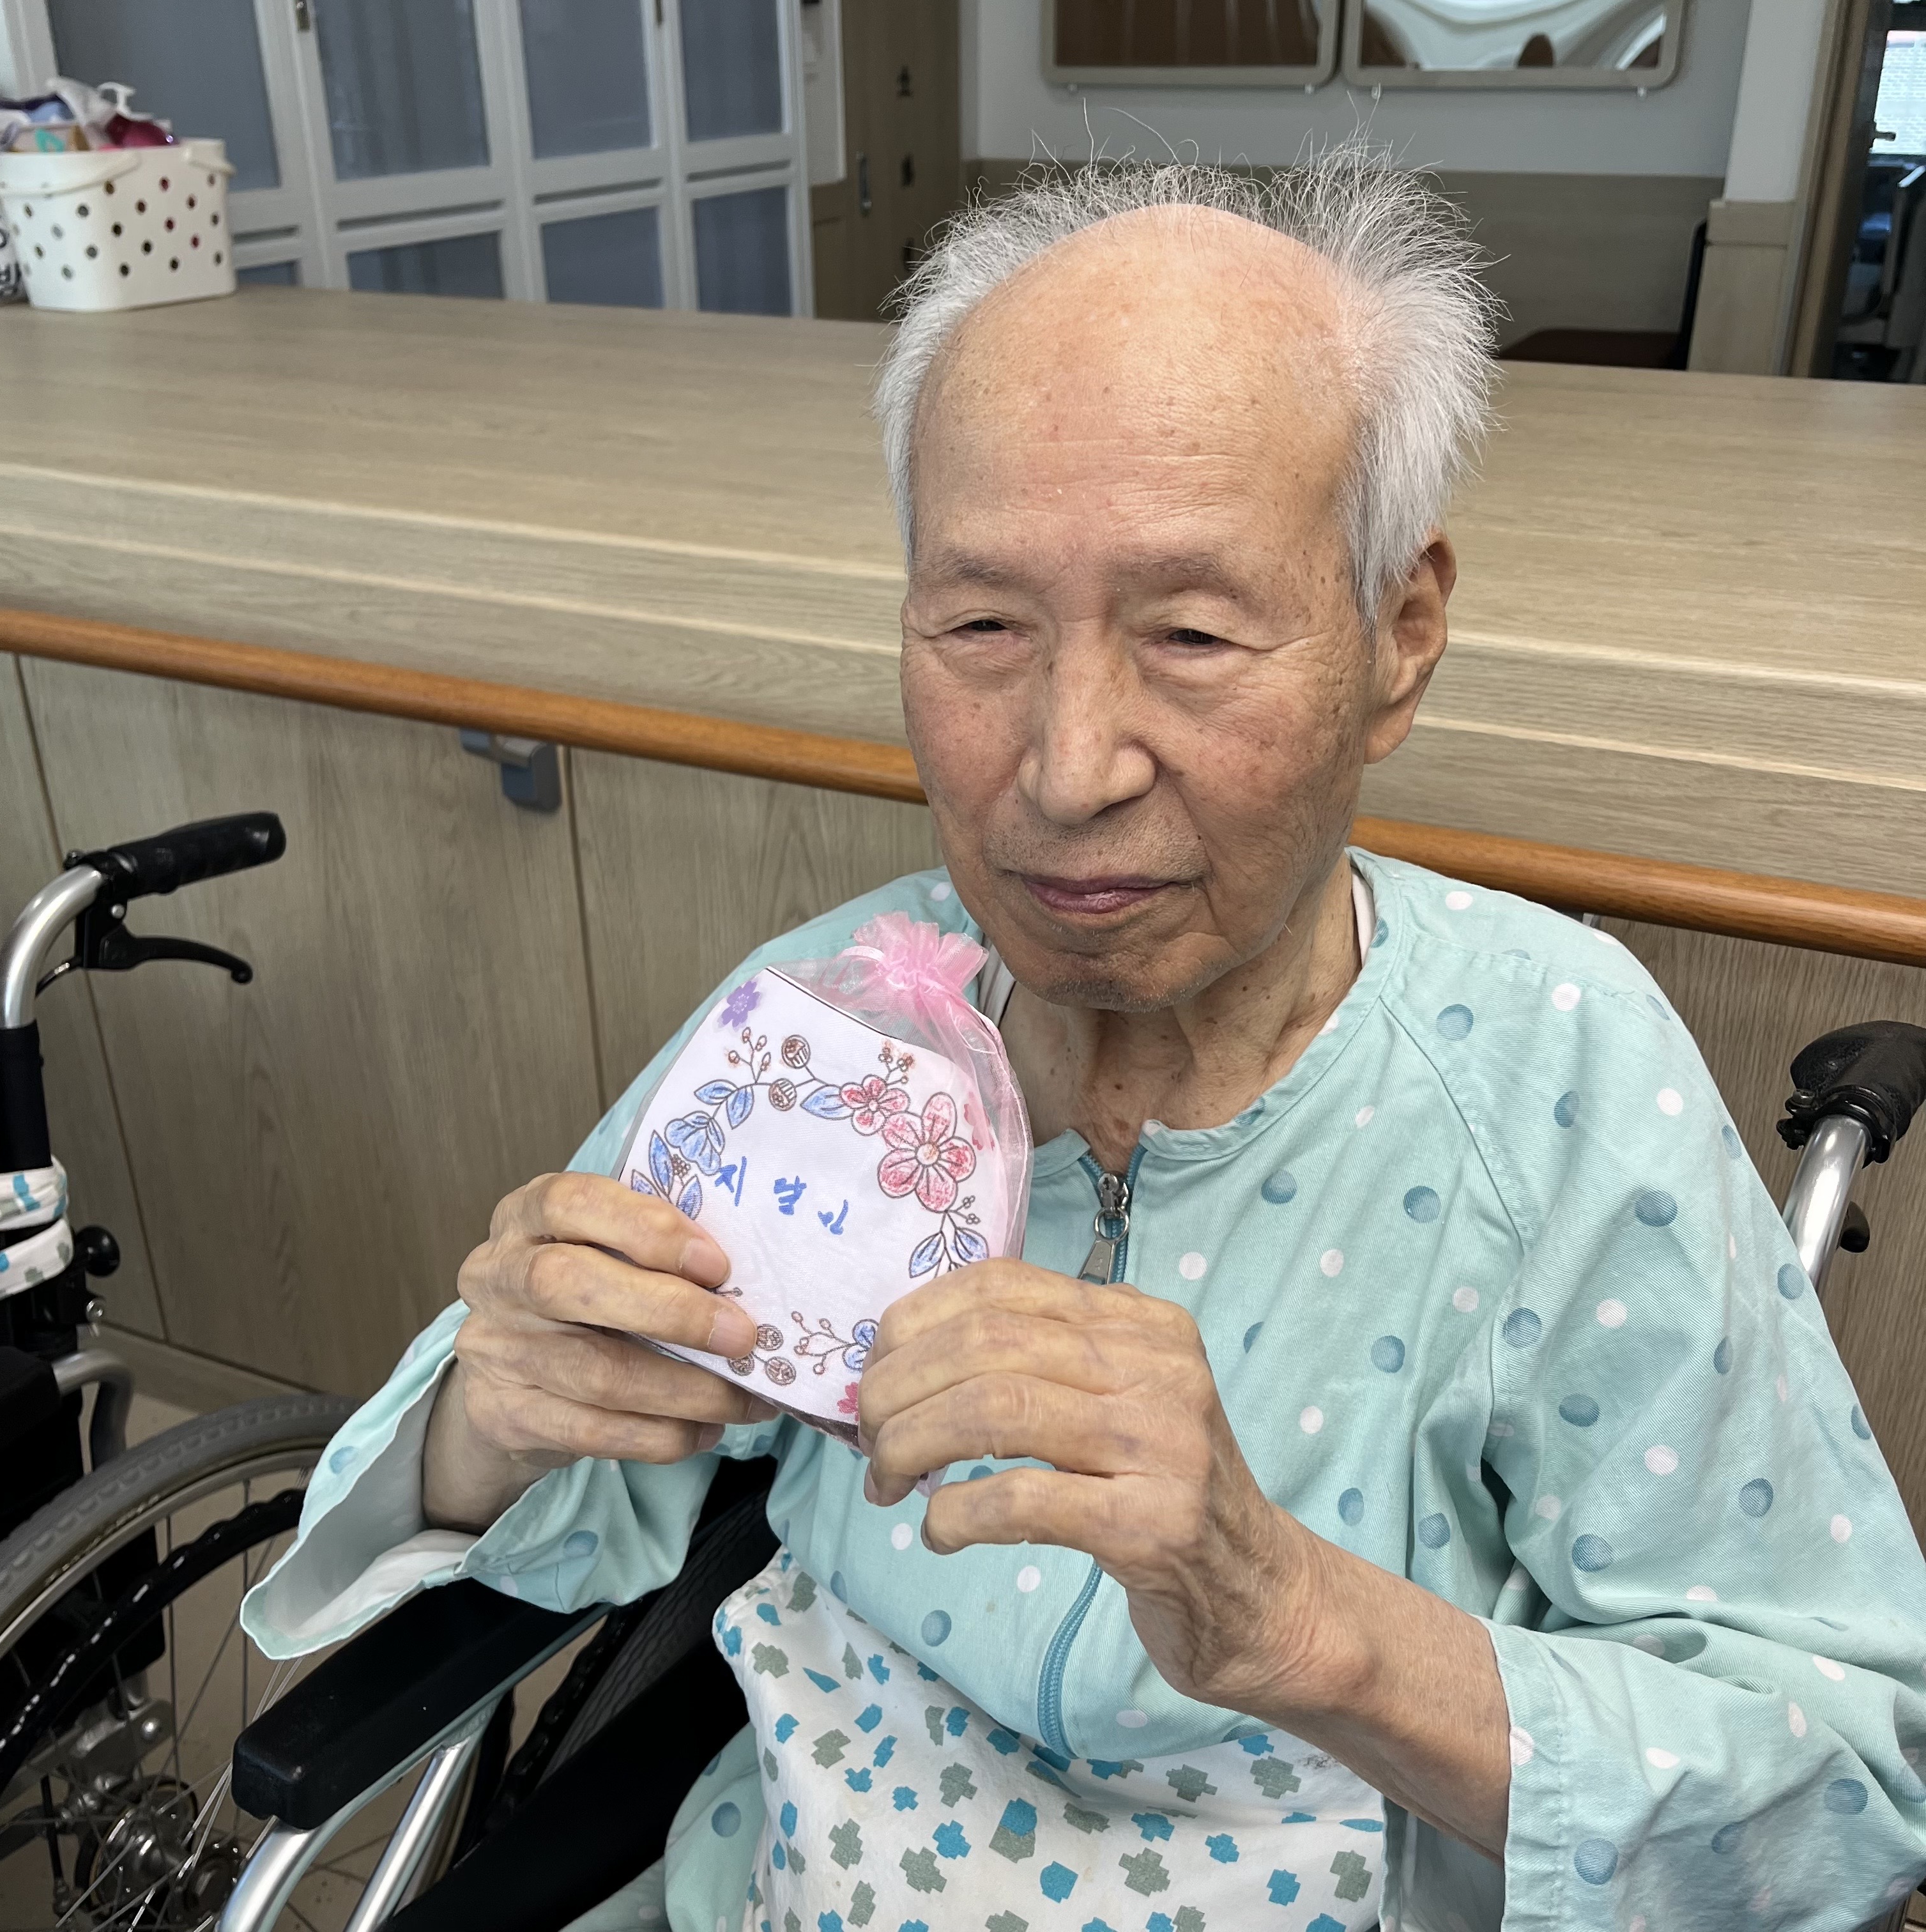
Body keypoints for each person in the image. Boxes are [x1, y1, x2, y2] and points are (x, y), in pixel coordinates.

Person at [244, 153, 1926, 1931]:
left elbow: (1847, 1777)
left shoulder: (1555, 1076)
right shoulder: (835, 1024)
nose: (1063, 770)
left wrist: (1298, 1619)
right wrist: (486, 1424)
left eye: (1191, 632)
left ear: (1398, 637)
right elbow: (557, 1466)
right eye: (981, 624)